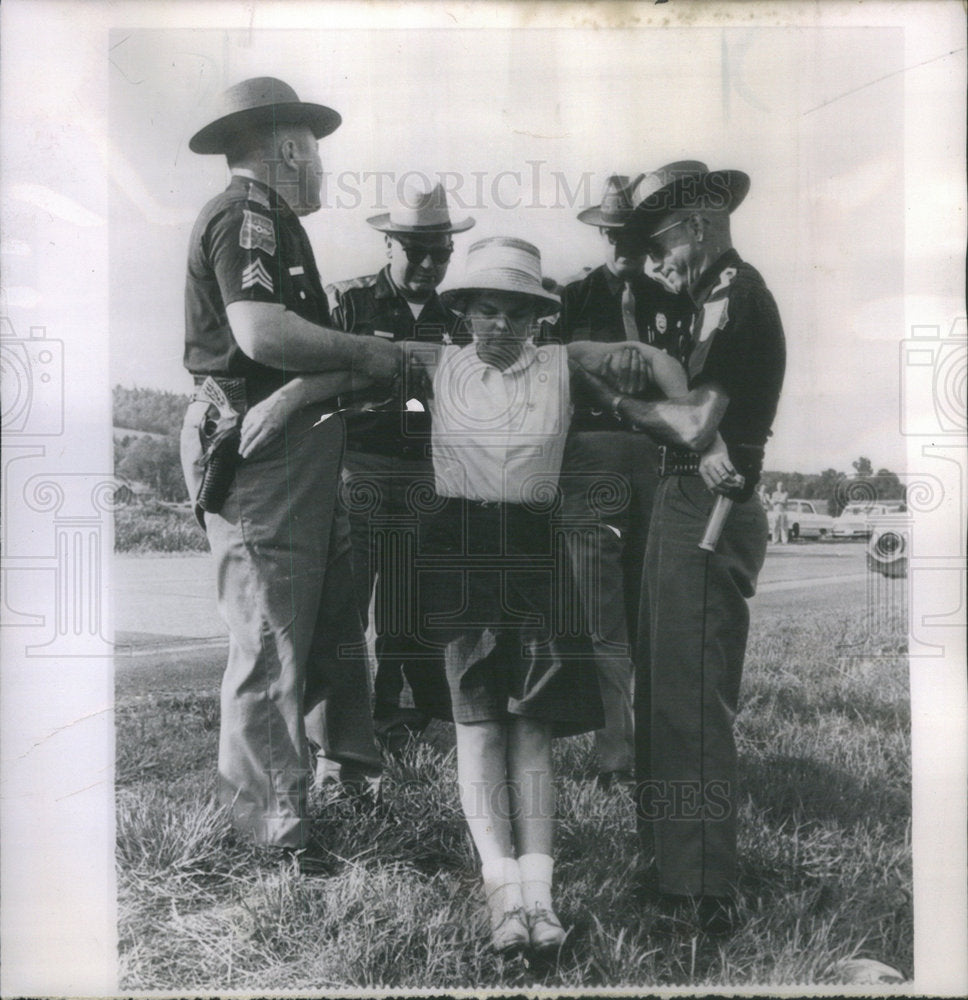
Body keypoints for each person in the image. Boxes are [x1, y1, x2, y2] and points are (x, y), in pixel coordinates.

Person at [246, 236, 688, 952]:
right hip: (459, 552)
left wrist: (685, 401)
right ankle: (500, 896)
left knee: (534, 727)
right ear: (464, 312)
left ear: (541, 321)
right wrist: (292, 394)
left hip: (539, 551)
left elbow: (656, 364)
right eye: (488, 312)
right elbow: (355, 368)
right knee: (479, 728)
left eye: (519, 316)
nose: (502, 329)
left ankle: (541, 898)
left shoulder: (562, 364)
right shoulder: (436, 363)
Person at [180, 77, 401, 853]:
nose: (320, 168)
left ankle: (340, 780)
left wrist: (345, 369)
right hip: (262, 449)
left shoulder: (269, 219)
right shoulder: (248, 218)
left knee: (331, 618)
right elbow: (262, 335)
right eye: (313, 152)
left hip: (298, 443)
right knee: (273, 637)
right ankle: (271, 831)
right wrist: (365, 352)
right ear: (286, 147)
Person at [579, 162, 786, 934]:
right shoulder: (706, 301)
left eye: (658, 242)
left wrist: (609, 397)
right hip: (685, 499)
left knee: (689, 705)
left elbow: (698, 424)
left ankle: (699, 894)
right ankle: (672, 872)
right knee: (663, 697)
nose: (654, 261)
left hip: (708, 509)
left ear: (696, 226)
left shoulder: (733, 296)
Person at [547, 173, 694, 788]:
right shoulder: (572, 296)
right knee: (598, 606)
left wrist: (649, 367)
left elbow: (685, 379)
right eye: (613, 237)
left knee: (647, 605)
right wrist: (603, 360)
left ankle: (653, 742)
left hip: (654, 457)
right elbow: (551, 368)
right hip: (589, 457)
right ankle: (615, 754)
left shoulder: (672, 304)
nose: (623, 249)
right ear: (601, 235)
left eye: (633, 237)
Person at [325, 182, 474, 754]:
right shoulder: (347, 303)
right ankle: (341, 740)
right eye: (416, 250)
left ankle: (397, 718)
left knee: (412, 611)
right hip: (355, 471)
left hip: (427, 477)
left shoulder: (458, 317)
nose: (430, 264)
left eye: (441, 252)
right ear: (389, 244)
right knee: (347, 608)